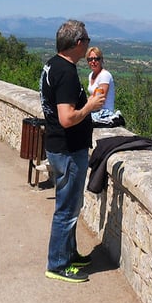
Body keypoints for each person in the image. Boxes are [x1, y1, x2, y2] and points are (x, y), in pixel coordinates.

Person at [39, 20, 105, 283]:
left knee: (70, 206)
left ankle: (69, 253)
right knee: (66, 210)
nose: (88, 44)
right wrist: (90, 105)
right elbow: (66, 118)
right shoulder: (65, 73)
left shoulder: (52, 65)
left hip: (59, 147)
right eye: (87, 40)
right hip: (68, 151)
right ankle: (57, 265)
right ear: (79, 43)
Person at [86, 46, 122, 126]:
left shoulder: (104, 75)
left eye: (96, 59)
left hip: (103, 113)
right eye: (90, 59)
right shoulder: (91, 75)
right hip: (94, 110)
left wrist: (84, 107)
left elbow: (99, 100)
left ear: (101, 60)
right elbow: (93, 96)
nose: (93, 61)